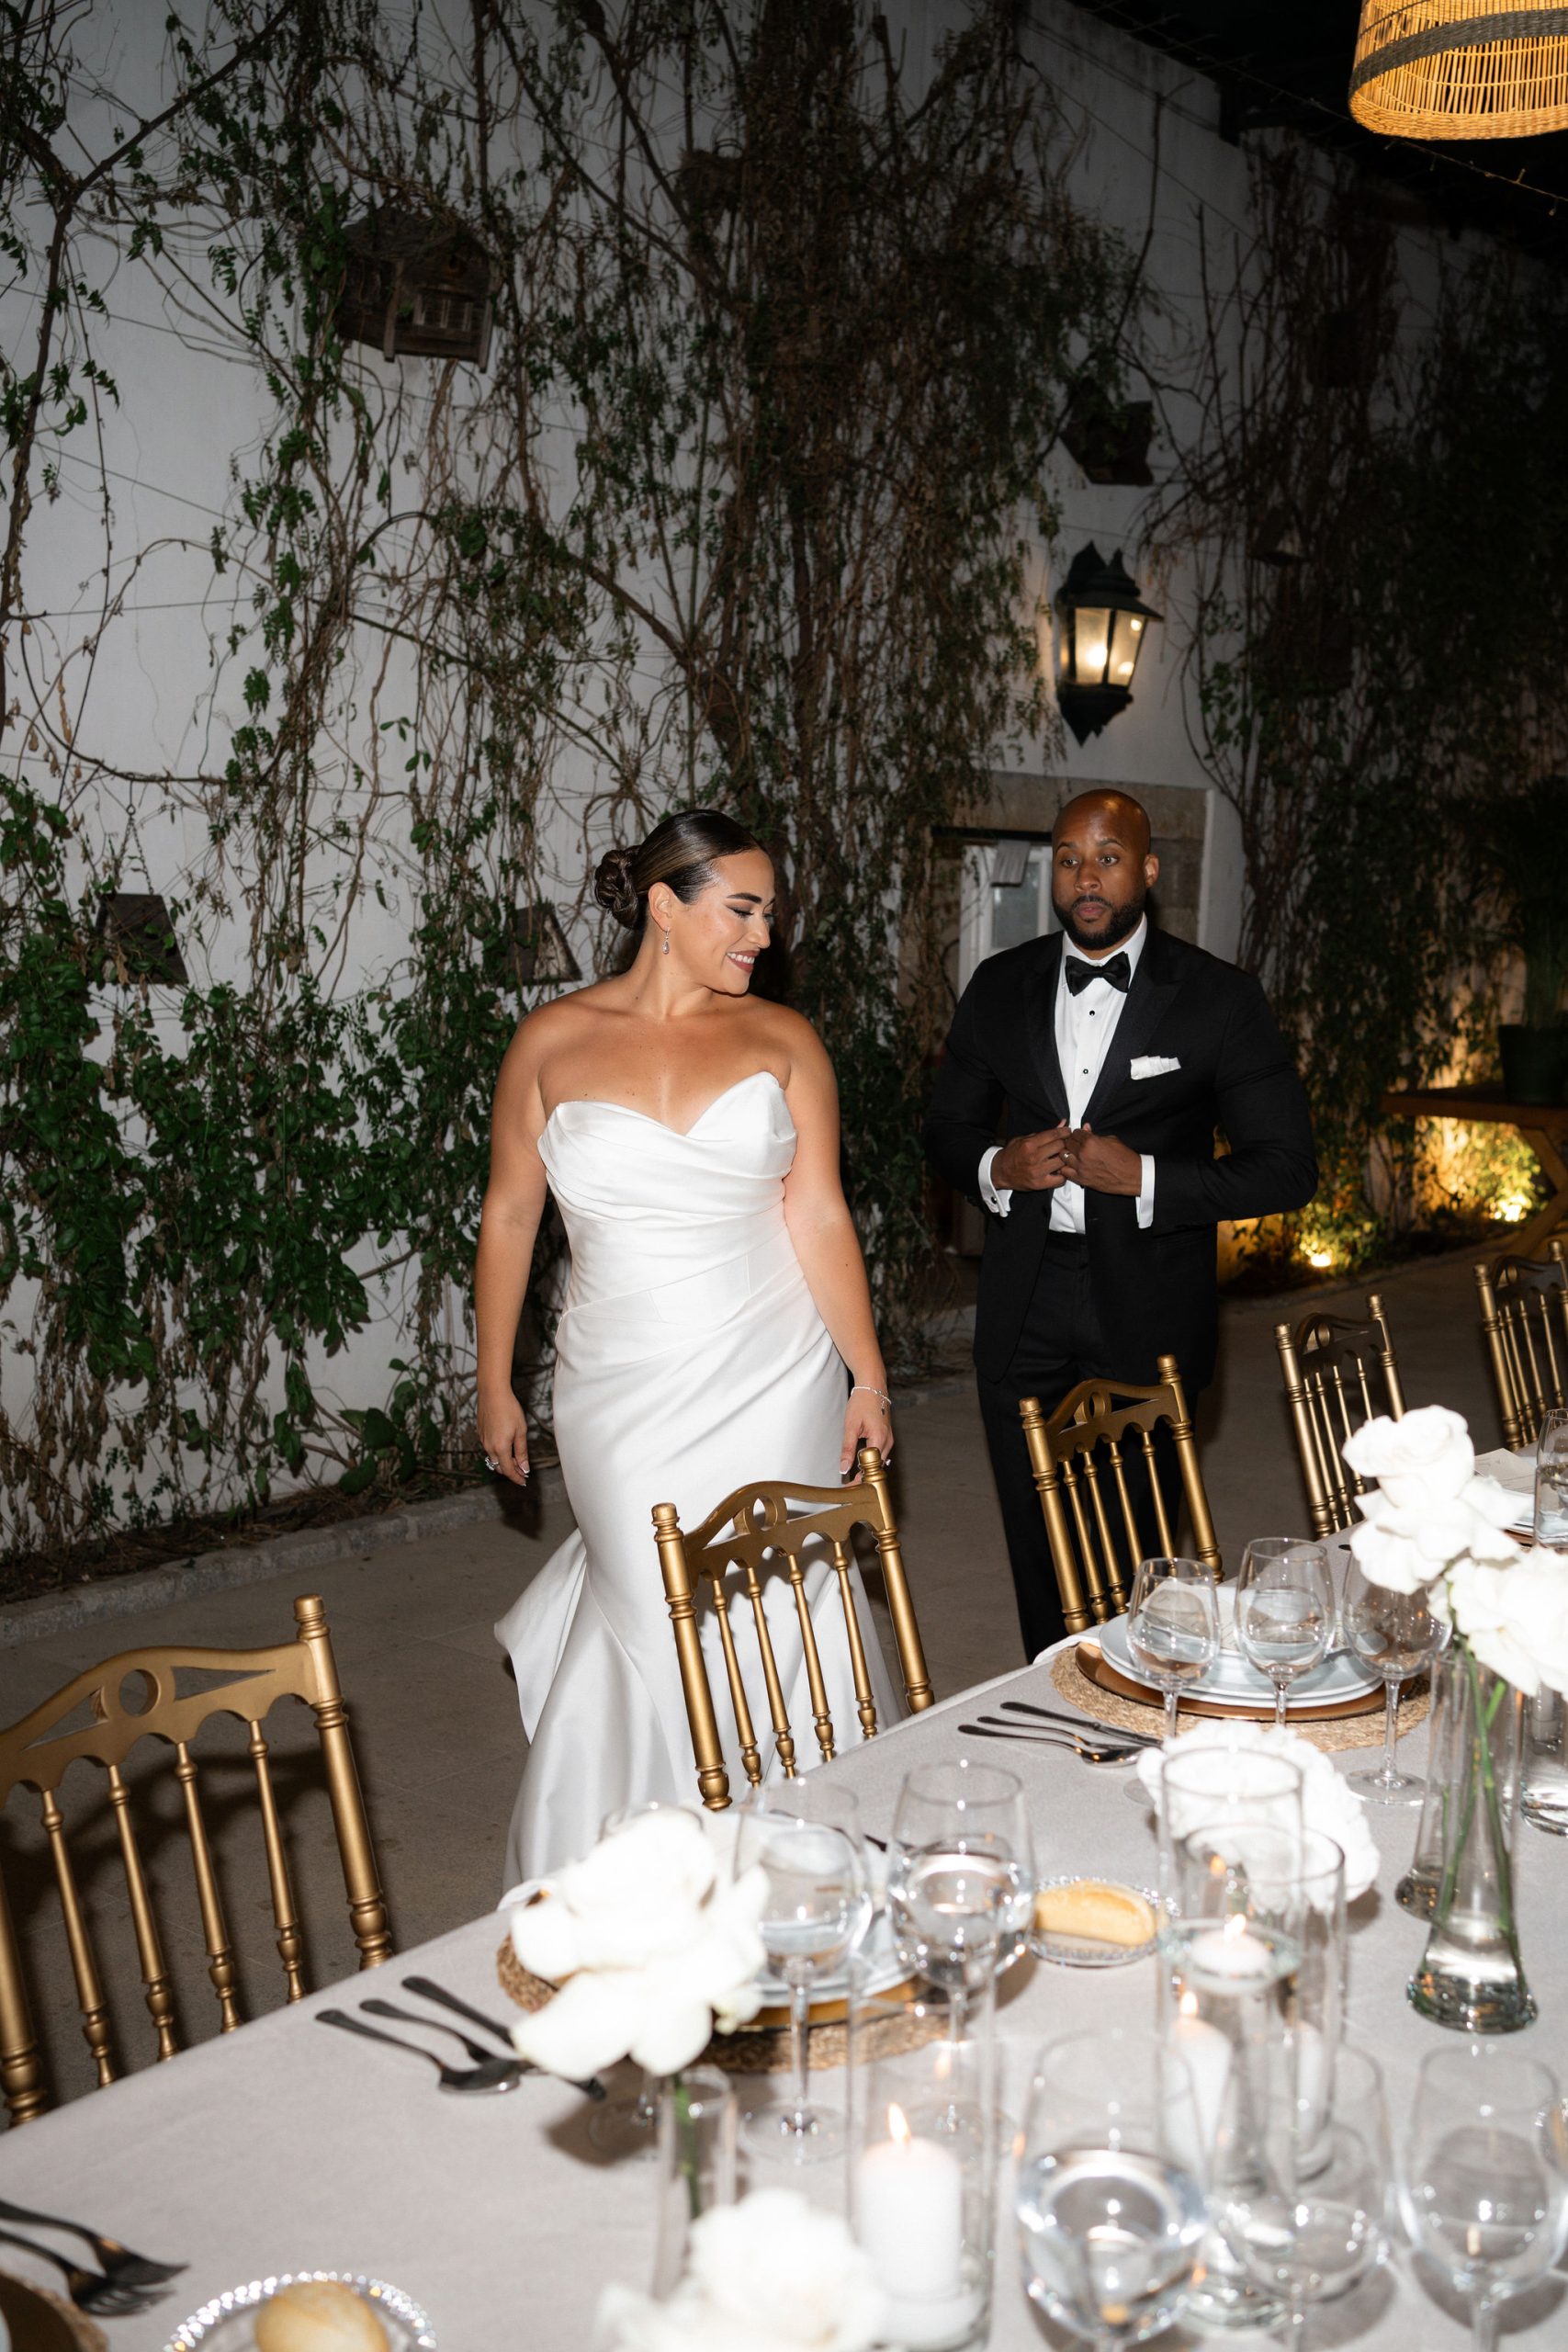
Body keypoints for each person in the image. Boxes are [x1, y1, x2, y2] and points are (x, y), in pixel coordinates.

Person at [479, 809, 901, 1882]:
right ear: (664, 907)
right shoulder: (550, 1042)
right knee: (648, 1594)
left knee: (782, 1596)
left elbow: (819, 1214)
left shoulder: (784, 1040)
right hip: (619, 1387)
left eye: (771, 913)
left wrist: (868, 1373)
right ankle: (650, 1868)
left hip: (777, 1371)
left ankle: (796, 1861)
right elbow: (512, 1216)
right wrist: (494, 1380)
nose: (764, 934)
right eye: (742, 910)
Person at [923, 787, 1316, 1660]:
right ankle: (1052, 1688)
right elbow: (946, 1128)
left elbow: (1286, 1166)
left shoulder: (1217, 998)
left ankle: (1137, 1692)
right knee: (1036, 1534)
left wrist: (1142, 1178)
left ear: (1148, 869)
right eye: (1068, 860)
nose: (1085, 878)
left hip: (1149, 1297)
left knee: (1134, 1543)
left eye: (1106, 858)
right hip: (1023, 1295)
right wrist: (996, 1167)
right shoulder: (1000, 985)